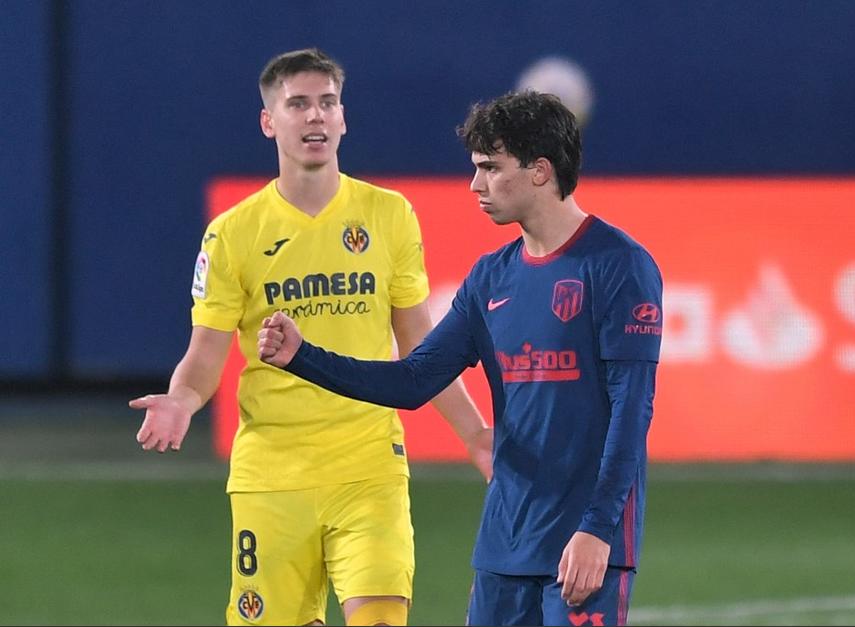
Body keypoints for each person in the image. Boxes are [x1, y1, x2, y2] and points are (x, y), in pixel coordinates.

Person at [257, 90, 663, 626]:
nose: (476, 185)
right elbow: (414, 380)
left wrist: (597, 529)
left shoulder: (619, 266)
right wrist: (303, 357)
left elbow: (631, 412)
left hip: (584, 545)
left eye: (491, 168)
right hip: (504, 544)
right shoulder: (491, 277)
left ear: (540, 171)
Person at [128, 48, 492, 627]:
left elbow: (421, 348)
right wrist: (182, 400)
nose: (315, 116)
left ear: (343, 118)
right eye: (298, 104)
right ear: (269, 122)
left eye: (327, 102)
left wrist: (476, 435)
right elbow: (205, 353)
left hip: (368, 464)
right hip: (272, 475)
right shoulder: (232, 234)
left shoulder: (388, 215)